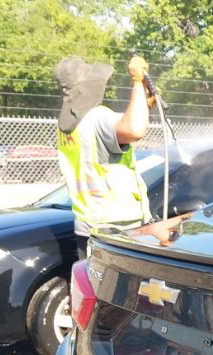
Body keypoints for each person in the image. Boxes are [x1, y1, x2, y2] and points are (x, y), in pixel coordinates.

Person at [54, 55, 154, 258]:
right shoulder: (96, 116)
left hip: (89, 222)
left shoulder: (67, 122)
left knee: (95, 288)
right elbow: (133, 129)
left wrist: (142, 102)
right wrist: (137, 84)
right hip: (117, 227)